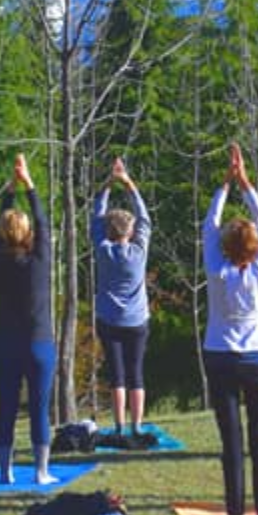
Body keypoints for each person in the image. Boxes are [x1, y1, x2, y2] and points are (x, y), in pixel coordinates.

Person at [202, 142, 258, 515]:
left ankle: (235, 511)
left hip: (220, 357)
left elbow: (208, 227)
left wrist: (225, 187)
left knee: (231, 440)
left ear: (225, 248)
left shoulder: (217, 270)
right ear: (255, 248)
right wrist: (245, 184)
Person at [0, 153, 57, 485]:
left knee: (6, 409)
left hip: (7, 345)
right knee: (39, 409)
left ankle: (5, 472)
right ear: (28, 233)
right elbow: (43, 224)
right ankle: (41, 472)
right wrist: (28, 183)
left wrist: (10, 189)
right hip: (39, 344)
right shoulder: (40, 260)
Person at [93, 156, 152, 436]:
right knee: (136, 373)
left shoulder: (103, 249)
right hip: (137, 319)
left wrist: (108, 184)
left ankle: (118, 426)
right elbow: (145, 217)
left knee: (117, 375)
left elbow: (96, 216)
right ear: (130, 231)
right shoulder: (139, 252)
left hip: (108, 319)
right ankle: (137, 426)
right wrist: (128, 184)